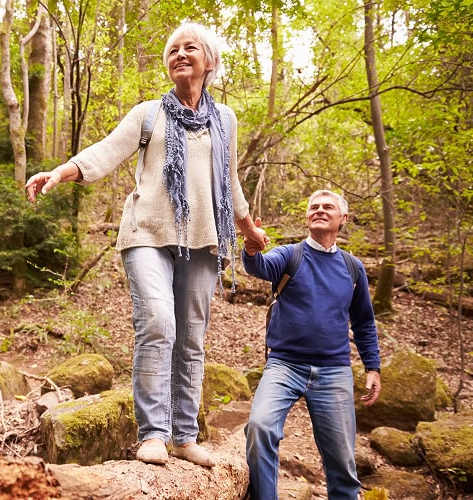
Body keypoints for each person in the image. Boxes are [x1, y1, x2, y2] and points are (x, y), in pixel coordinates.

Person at [26, 22, 267, 467]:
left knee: (191, 339)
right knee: (158, 323)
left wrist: (248, 227)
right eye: (172, 49)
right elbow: (105, 152)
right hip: (147, 234)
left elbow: (228, 181)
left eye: (189, 47)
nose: (178, 54)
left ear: (209, 61)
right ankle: (153, 434)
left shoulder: (225, 120)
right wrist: (59, 173)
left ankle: (183, 435)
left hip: (203, 239)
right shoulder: (149, 114)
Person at [241, 189, 382, 499]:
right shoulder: (290, 255)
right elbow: (259, 266)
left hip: (334, 371)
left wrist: (373, 366)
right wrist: (251, 249)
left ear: (343, 218)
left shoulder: (352, 267)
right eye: (314, 207)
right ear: (307, 217)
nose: (319, 210)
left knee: (342, 462)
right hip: (284, 365)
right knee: (260, 428)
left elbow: (363, 321)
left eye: (328, 207)